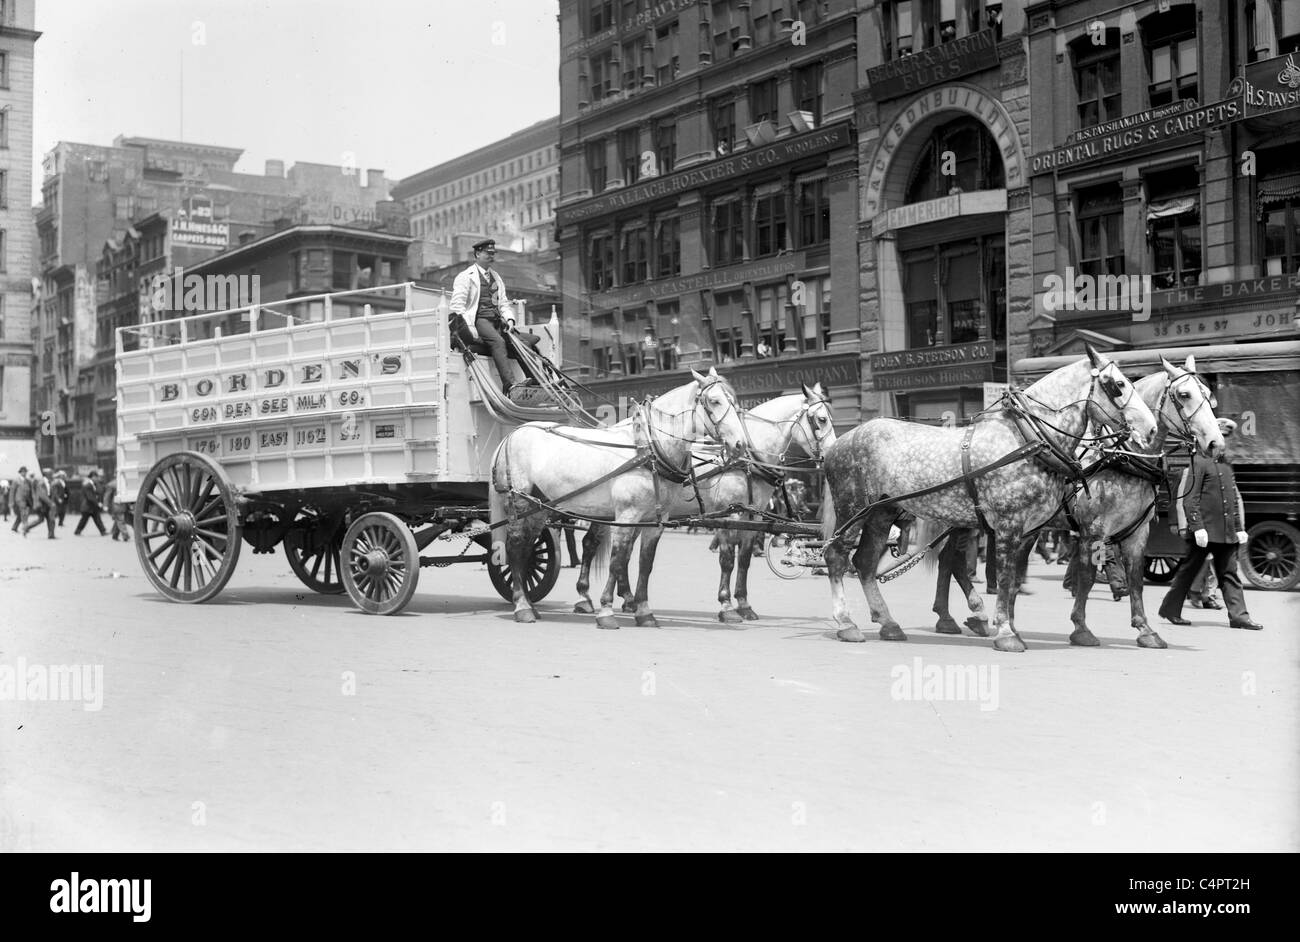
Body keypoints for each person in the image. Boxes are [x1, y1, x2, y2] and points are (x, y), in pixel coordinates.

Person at [1158, 418, 1263, 629]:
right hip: (1205, 532)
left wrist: (1239, 528)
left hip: (1225, 532)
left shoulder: (1226, 465)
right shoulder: (1199, 462)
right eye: (1219, 439)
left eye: (1225, 439)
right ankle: (1170, 609)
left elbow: (1231, 500)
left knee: (1230, 574)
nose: (1222, 443)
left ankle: (1239, 616)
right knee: (1188, 572)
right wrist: (1197, 528)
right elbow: (1190, 499)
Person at [448, 239, 542, 394]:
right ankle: (509, 384)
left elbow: (503, 303)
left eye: (493, 254)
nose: (491, 257)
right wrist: (469, 327)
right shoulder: (465, 276)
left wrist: (510, 319)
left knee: (522, 343)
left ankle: (536, 381)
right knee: (498, 342)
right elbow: (457, 306)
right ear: (478, 254)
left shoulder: (496, 277)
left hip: (497, 321)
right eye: (488, 253)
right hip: (480, 320)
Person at [22, 469, 56, 539]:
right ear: (46, 474)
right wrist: (50, 503)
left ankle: (51, 534)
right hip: (42, 504)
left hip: (45, 504)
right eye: (50, 473)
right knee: (44, 519)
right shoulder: (41, 482)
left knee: (48, 519)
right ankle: (26, 527)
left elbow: (49, 493)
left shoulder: (48, 482)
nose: (52, 474)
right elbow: (42, 495)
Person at [74, 469, 108, 536]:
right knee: (84, 520)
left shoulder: (94, 485)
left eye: (96, 477)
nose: (96, 478)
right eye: (95, 477)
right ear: (91, 477)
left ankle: (103, 531)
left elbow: (99, 492)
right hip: (87, 506)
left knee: (97, 519)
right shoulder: (88, 485)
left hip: (92, 506)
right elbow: (90, 497)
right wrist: (98, 503)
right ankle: (77, 531)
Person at [10, 465, 30, 533]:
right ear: (20, 472)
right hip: (19, 499)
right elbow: (12, 491)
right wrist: (11, 502)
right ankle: (25, 527)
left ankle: (14, 527)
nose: (24, 473)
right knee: (24, 513)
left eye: (25, 472)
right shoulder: (16, 481)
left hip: (26, 500)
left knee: (22, 514)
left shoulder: (27, 481)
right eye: (23, 472)